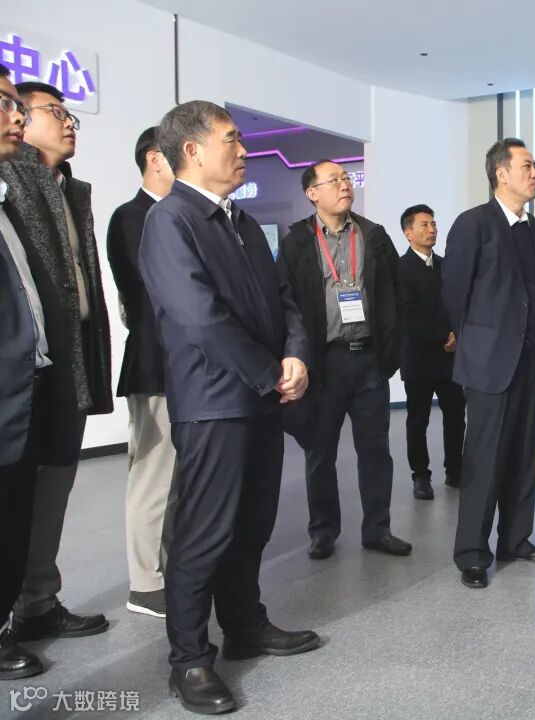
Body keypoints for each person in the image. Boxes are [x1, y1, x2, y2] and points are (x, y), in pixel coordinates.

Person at [140, 100, 320, 714]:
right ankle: (190, 660)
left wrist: (294, 355)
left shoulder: (240, 220)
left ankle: (245, 625)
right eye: (232, 139)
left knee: (253, 524)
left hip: (261, 396)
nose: (244, 150)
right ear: (192, 150)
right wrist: (270, 375)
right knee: (205, 534)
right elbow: (198, 318)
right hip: (214, 402)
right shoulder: (170, 220)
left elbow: (284, 299)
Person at [0, 80, 112, 643]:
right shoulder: (11, 182)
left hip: (69, 356)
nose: (69, 122)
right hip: (24, 366)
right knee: (20, 492)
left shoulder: (69, 188)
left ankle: (38, 600)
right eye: (55, 112)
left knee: (54, 487)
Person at [276, 160, 411, 560]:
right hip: (324, 364)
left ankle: (378, 529)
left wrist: (392, 349)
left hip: (368, 360)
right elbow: (285, 301)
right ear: (312, 193)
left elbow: (397, 293)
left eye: (346, 178)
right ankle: (323, 531)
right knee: (320, 453)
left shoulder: (373, 235)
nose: (344, 185)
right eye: (333, 180)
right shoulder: (297, 241)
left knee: (376, 451)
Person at [442, 138, 535, 589]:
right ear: (501, 173)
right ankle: (472, 553)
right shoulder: (474, 224)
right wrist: (477, 339)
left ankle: (516, 538)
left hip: (532, 358)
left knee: (526, 454)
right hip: (490, 360)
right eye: (527, 166)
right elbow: (455, 293)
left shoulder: (532, 228)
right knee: (484, 459)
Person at [0, 63, 79, 681]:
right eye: (8, 105)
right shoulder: (18, 185)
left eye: (20, 108)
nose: (17, 117)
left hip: (43, 372)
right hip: (16, 379)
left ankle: (27, 608)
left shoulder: (42, 194)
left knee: (29, 507)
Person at [106, 126, 176, 619]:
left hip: (186, 367)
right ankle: (145, 584)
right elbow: (152, 292)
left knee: (180, 481)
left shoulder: (174, 214)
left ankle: (171, 570)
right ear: (155, 159)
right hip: (154, 364)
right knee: (153, 478)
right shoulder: (132, 217)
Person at [397, 203, 465, 500]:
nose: (432, 229)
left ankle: (455, 470)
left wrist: (456, 334)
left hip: (450, 357)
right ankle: (421, 476)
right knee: (418, 420)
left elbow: (457, 304)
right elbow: (407, 314)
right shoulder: (399, 269)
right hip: (419, 358)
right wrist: (442, 336)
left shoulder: (446, 265)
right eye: (424, 225)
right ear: (408, 233)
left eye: (433, 224)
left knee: (456, 416)